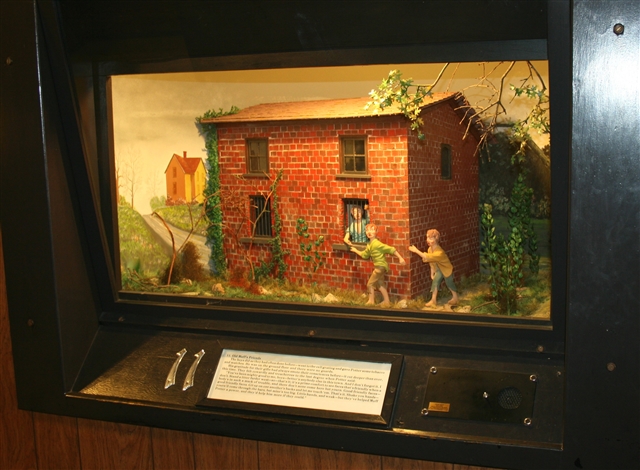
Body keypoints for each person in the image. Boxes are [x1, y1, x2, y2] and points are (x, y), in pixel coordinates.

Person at [350, 223, 406, 307]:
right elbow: (364, 255)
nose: (369, 232)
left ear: (376, 232)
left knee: (370, 284)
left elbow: (391, 249)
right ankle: (387, 301)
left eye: (372, 230)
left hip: (380, 267)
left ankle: (371, 301)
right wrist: (355, 250)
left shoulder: (377, 244)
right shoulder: (370, 245)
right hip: (379, 267)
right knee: (380, 284)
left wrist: (400, 258)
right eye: (367, 230)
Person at [408, 229, 459, 308]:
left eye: (431, 238)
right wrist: (432, 273)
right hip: (438, 269)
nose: (428, 240)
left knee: (449, 283)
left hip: (446, 269)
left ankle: (455, 297)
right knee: (435, 282)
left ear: (436, 239)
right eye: (427, 237)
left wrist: (416, 251)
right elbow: (431, 262)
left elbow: (428, 257)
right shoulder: (429, 249)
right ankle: (433, 300)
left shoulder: (439, 252)